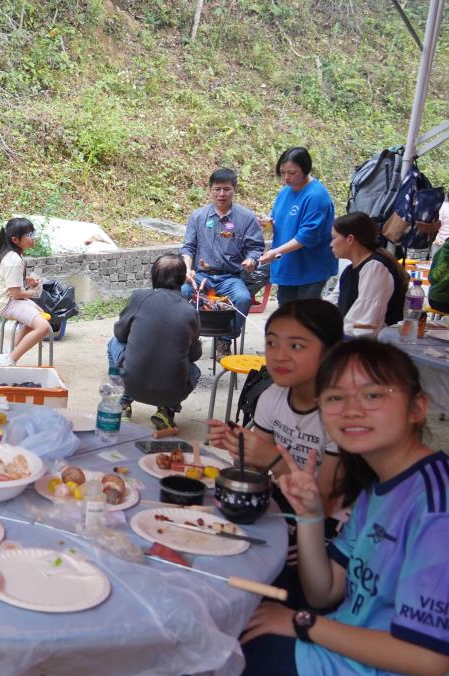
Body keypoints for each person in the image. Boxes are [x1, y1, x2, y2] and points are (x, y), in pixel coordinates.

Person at [190, 339, 449, 676]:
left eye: (373, 394)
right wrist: (310, 516)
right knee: (216, 613)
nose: (351, 409)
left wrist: (301, 622)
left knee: (194, 640)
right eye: (335, 398)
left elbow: (429, 659)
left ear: (417, 408)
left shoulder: (446, 513)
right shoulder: (381, 486)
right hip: (356, 650)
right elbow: (324, 592)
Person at [207, 299, 343, 606]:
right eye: (271, 343)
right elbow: (254, 472)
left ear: (331, 352)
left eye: (296, 346)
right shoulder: (273, 396)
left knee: (252, 561)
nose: (279, 355)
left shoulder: (342, 413)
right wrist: (239, 447)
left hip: (329, 523)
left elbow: (322, 503)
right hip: (283, 501)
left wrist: (273, 459)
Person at [107, 254, 201, 430]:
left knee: (113, 343)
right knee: (194, 370)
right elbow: (195, 355)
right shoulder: (190, 311)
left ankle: (123, 402)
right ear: (183, 280)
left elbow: (120, 333)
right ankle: (167, 410)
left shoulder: (139, 297)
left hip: (132, 385)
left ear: (152, 278)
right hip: (172, 392)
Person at [180, 167, 265, 355]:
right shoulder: (198, 217)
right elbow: (188, 247)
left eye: (227, 189)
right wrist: (187, 269)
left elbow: (256, 247)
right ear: (210, 190)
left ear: (234, 190)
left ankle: (224, 340)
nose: (222, 194)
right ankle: (188, 339)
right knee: (182, 292)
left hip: (230, 277)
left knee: (243, 298)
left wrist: (251, 260)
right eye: (217, 189)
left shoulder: (246, 218)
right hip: (202, 276)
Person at [259, 147, 337, 303]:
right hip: (288, 265)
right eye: (283, 172)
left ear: (305, 169)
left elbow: (306, 236)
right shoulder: (284, 193)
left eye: (292, 172)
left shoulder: (316, 196)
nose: (286, 177)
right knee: (286, 312)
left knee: (305, 313)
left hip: (310, 268)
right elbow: (278, 220)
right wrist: (268, 223)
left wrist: (275, 252)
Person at [326, 211, 406, 336]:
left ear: (350, 239)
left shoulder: (375, 268)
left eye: (334, 238)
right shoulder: (349, 270)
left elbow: (364, 324)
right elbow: (331, 302)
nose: (331, 244)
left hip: (371, 344)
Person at [0, 217, 50, 367]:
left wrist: (26, 279)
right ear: (15, 239)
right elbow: (16, 294)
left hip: (5, 299)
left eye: (33, 233)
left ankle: (11, 353)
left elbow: (8, 278)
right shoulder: (13, 260)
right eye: (29, 235)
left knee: (39, 313)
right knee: (44, 327)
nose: (33, 237)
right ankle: (10, 360)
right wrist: (33, 292)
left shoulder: (10, 254)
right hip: (7, 303)